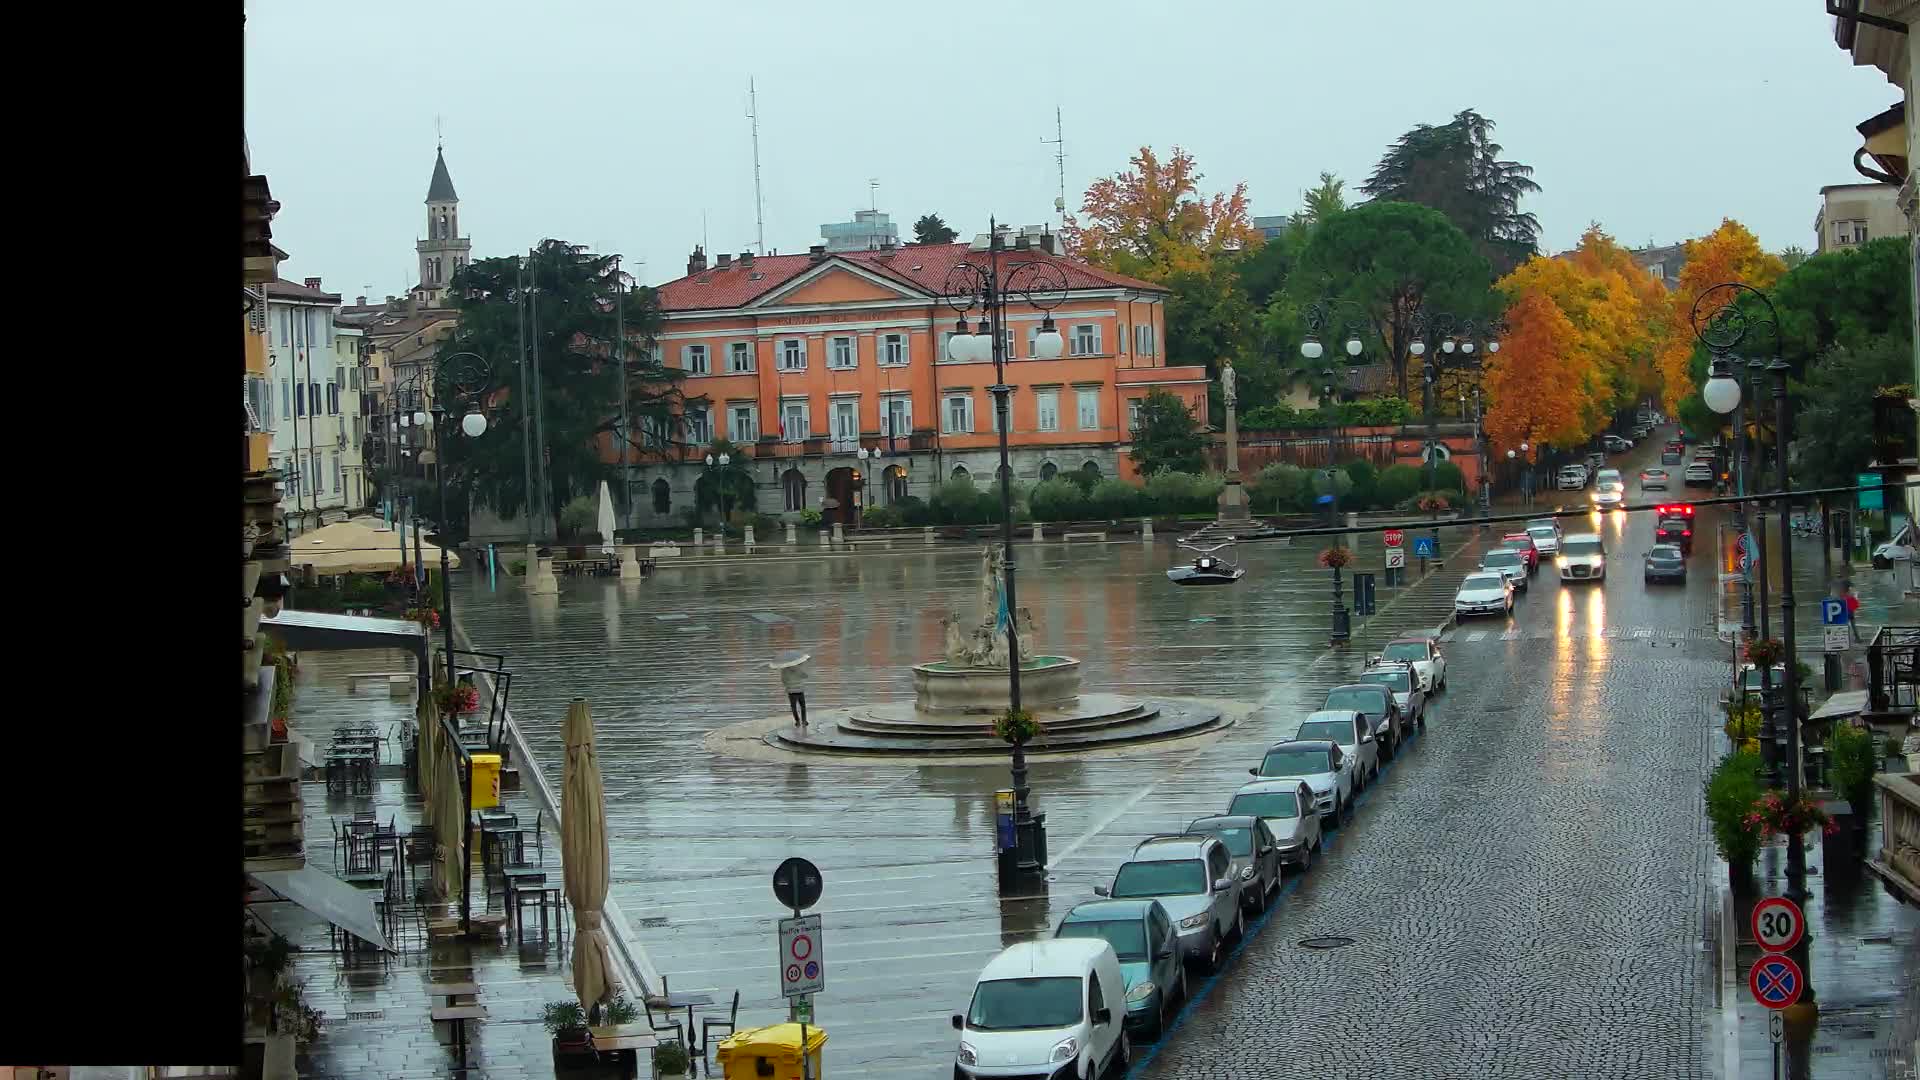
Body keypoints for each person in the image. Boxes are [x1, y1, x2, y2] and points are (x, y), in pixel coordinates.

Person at [781, 658, 810, 727]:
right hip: (800, 690)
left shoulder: (784, 670)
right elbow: (805, 676)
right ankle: (804, 721)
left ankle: (797, 721)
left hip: (791, 691)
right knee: (803, 706)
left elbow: (783, 680)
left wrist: (788, 685)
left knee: (793, 707)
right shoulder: (799, 668)